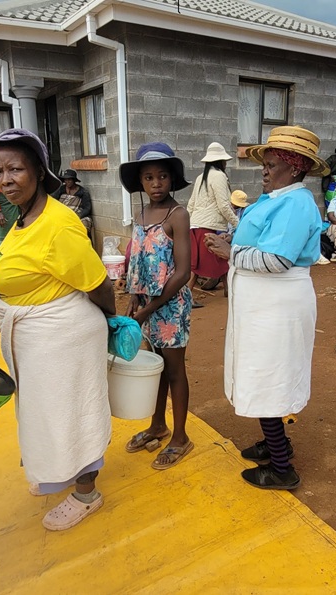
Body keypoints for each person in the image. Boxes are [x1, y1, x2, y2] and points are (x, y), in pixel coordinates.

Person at [0, 128, 116, 531]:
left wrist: (110, 319)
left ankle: (87, 493)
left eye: (15, 168)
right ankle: (56, 468)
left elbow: (98, 284)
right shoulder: (24, 219)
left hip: (62, 338)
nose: (5, 180)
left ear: (38, 169)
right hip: (37, 339)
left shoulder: (59, 223)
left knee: (72, 412)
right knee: (47, 413)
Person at [202, 125, 325, 490]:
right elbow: (258, 239)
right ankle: (276, 443)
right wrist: (232, 240)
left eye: (272, 165)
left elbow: (278, 260)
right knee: (261, 372)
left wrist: (232, 252)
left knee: (267, 377)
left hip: (278, 305)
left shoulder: (297, 202)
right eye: (265, 164)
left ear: (296, 168)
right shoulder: (275, 199)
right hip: (263, 306)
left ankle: (282, 468)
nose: (264, 171)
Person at [120, 142, 195, 470]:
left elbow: (183, 271)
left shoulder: (178, 214)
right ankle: (157, 424)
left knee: (175, 370)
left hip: (170, 307)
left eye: (162, 176)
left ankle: (180, 437)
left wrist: (152, 307)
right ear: (141, 182)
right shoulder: (140, 215)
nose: (156, 184)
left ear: (172, 179)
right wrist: (136, 298)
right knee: (154, 367)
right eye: (148, 178)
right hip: (145, 307)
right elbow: (137, 260)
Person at [186, 142, 238, 307]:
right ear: (221, 161)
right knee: (200, 266)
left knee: (220, 260)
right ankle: (187, 297)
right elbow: (224, 205)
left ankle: (229, 290)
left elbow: (191, 205)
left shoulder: (200, 177)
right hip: (209, 226)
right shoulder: (220, 176)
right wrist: (239, 223)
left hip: (196, 225)